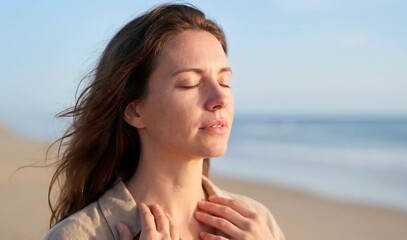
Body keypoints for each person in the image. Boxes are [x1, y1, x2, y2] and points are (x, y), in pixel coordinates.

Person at [44, 3, 285, 240]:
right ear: (135, 111)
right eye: (189, 83)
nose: (220, 98)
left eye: (224, 82)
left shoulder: (257, 223)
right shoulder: (77, 235)